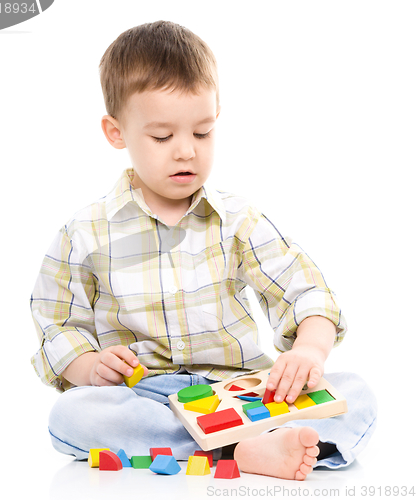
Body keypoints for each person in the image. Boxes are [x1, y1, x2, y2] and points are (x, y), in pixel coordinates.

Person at [30, 20, 377, 481]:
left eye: (202, 132)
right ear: (116, 133)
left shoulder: (239, 220)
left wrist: (309, 353)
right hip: (150, 397)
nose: (186, 152)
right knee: (74, 414)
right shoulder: (85, 232)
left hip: (244, 392)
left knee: (357, 392)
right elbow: (56, 322)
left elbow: (305, 290)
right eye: (162, 137)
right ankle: (239, 452)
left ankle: (237, 443)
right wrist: (91, 366)